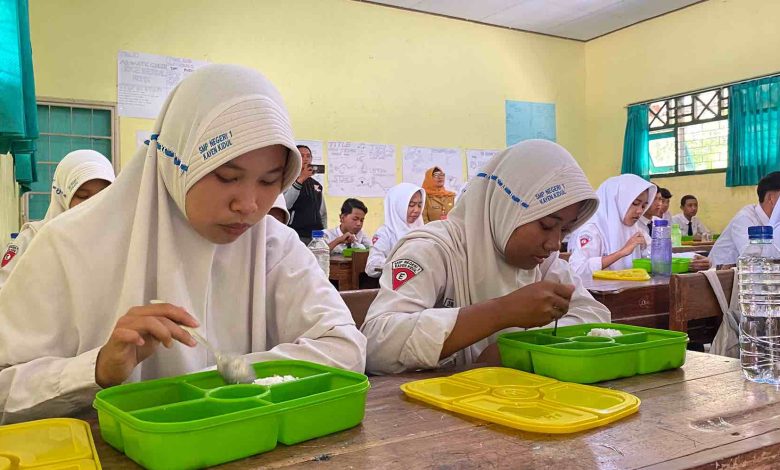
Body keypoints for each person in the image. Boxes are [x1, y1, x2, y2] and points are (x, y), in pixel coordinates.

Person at [0, 64, 366, 424]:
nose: (249, 205)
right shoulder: (68, 246)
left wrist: (224, 377)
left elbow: (344, 347)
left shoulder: (273, 245)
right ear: (176, 162)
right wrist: (96, 369)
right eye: (227, 177)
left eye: (270, 181)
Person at [361, 140, 610, 374]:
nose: (554, 243)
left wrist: (518, 348)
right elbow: (377, 344)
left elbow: (594, 316)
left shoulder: (544, 263)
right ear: (507, 209)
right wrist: (500, 312)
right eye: (546, 225)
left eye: (565, 230)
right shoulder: (432, 249)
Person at [0, 149, 115, 288]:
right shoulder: (32, 240)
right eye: (83, 196)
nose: (94, 204)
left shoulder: (119, 244)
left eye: (103, 195)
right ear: (62, 196)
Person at [568, 174, 655, 277]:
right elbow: (577, 269)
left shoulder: (637, 231)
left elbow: (655, 258)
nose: (640, 211)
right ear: (617, 201)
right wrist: (621, 253)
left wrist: (645, 249)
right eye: (635, 203)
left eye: (644, 206)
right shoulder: (592, 230)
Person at [710, 172, 780, 266]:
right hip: (717, 273)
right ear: (771, 198)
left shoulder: (775, 224)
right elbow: (754, 261)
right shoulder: (745, 218)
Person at [365, 183, 425, 278]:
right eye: (411, 205)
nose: (417, 210)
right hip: (394, 284)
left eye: (419, 205)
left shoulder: (422, 230)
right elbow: (372, 266)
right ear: (397, 205)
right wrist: (402, 263)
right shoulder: (385, 233)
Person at [284, 145, 326, 244]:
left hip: (315, 236)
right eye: (302, 156)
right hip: (296, 235)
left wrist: (323, 233)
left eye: (308, 156)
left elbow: (322, 213)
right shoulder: (287, 180)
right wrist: (301, 179)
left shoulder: (317, 185)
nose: (306, 159)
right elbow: (286, 204)